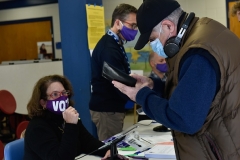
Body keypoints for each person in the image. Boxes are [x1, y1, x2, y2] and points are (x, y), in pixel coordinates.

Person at [112, 0, 240, 159]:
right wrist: (154, 85)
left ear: (168, 26)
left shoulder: (198, 53)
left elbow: (184, 119)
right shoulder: (206, 31)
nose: (153, 45)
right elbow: (192, 90)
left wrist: (141, 95)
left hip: (224, 150)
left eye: (152, 39)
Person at [24, 75, 126, 160]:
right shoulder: (37, 128)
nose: (62, 97)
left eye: (64, 93)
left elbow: (88, 142)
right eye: (55, 94)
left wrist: (107, 151)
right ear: (43, 102)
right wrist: (70, 125)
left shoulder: (65, 117)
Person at [89, 4, 138, 141]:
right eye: (132, 25)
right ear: (118, 23)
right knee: (110, 150)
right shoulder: (108, 48)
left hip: (112, 107)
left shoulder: (114, 44)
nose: (134, 30)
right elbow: (117, 80)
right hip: (107, 110)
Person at [148, 51, 169, 132]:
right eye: (161, 61)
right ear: (152, 63)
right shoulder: (149, 84)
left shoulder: (170, 80)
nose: (165, 63)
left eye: (166, 60)